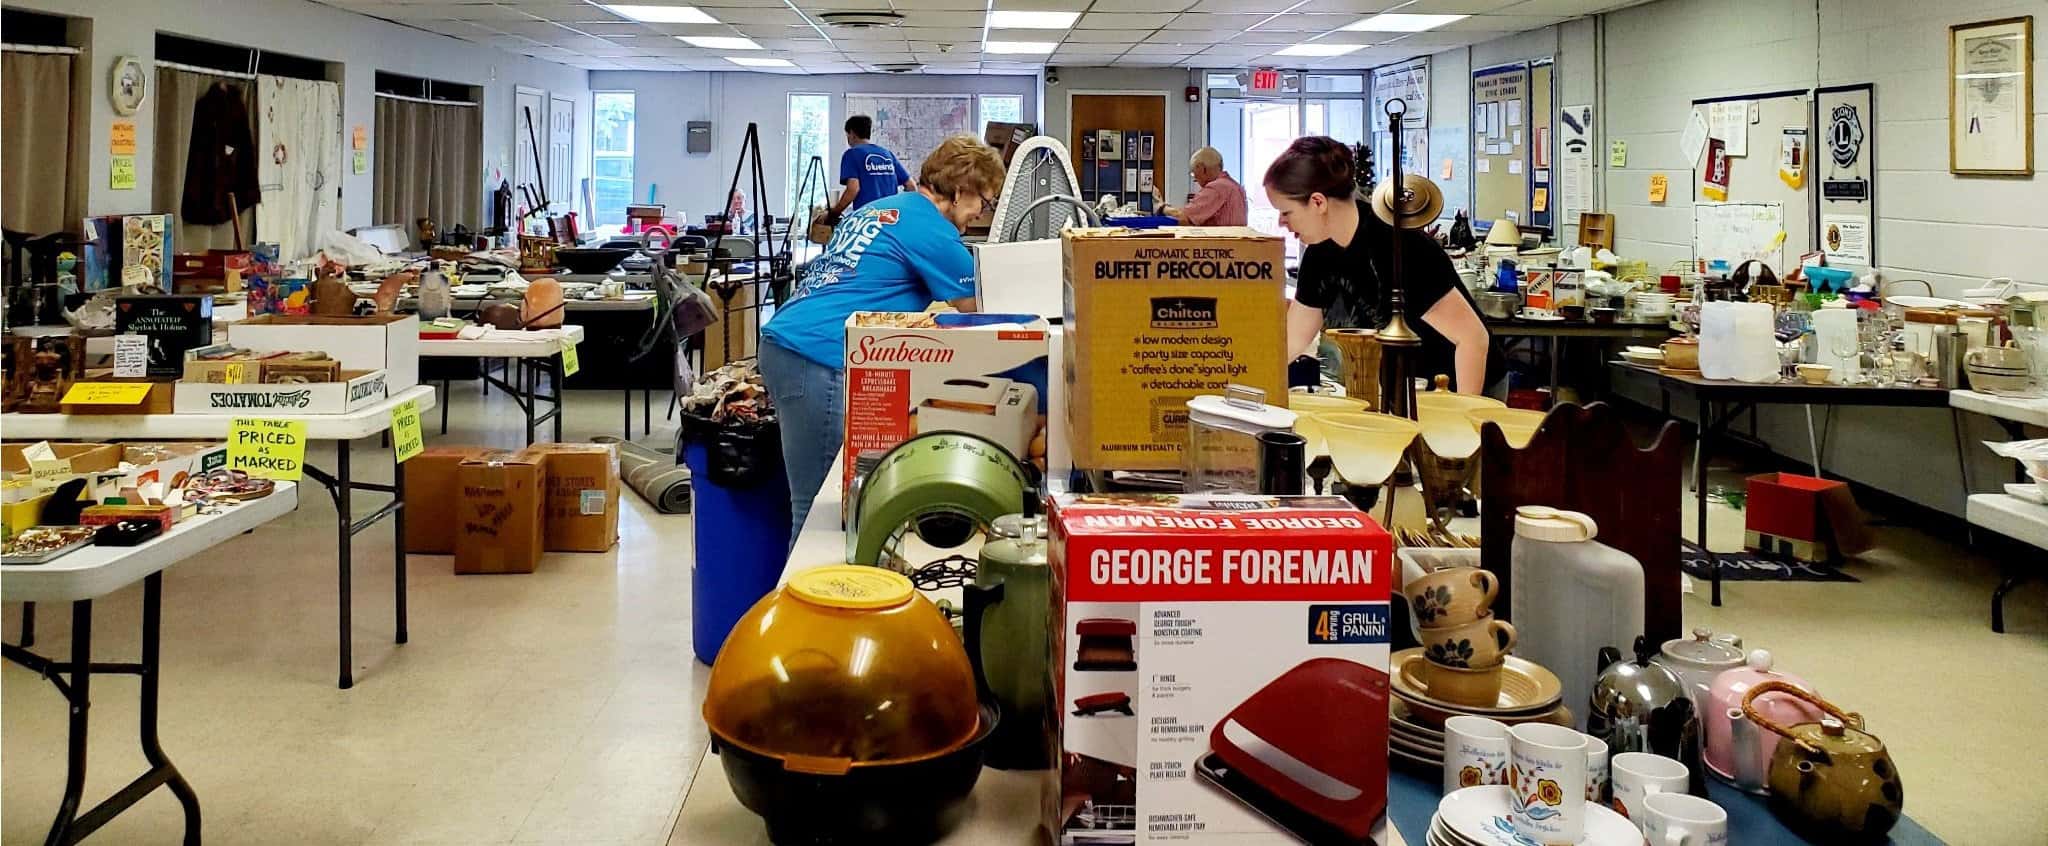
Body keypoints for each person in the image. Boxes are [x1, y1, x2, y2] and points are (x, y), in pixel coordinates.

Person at [760, 135, 1007, 542]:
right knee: (821, 513)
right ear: (962, 190)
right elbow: (981, 304)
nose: (982, 211)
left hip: (788, 339)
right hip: (820, 354)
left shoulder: (881, 208)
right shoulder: (929, 227)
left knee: (822, 503)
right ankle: (814, 602)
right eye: (984, 199)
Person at [1265, 136, 1503, 395]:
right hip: (1406, 388)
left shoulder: (1400, 247)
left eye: (1286, 212)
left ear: (1318, 202)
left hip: (1464, 384)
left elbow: (1472, 339)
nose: (1281, 223)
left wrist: (1465, 418)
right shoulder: (1318, 256)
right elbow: (1295, 339)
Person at [822, 115, 913, 225]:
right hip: (890, 219)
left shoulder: (852, 154)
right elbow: (911, 186)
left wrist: (834, 213)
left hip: (867, 220)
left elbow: (853, 189)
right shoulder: (887, 154)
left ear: (851, 133)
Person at [1154, 146, 1248, 226]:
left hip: (1220, 245)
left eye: (1194, 174)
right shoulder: (1235, 186)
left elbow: (1183, 218)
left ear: (1202, 169)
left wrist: (1161, 207)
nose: (1195, 180)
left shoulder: (1216, 188)